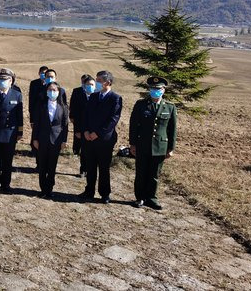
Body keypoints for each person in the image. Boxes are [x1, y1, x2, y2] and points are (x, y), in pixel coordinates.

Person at [129, 77, 177, 210]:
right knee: (141, 173)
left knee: (154, 174)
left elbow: (172, 129)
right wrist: (132, 144)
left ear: (163, 90)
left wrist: (171, 148)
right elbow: (134, 126)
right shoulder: (141, 105)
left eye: (158, 89)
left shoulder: (170, 107)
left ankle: (151, 198)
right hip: (142, 145)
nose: (155, 91)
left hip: (160, 146)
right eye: (153, 89)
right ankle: (140, 198)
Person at [80, 70, 122, 204]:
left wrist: (97, 133)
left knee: (104, 168)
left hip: (104, 140)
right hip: (89, 138)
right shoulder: (93, 96)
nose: (96, 83)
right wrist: (86, 131)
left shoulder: (115, 98)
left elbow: (113, 119)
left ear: (107, 82)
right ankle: (89, 191)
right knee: (90, 166)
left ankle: (104, 194)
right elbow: (85, 115)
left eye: (99, 81)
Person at [0, 68, 24, 194]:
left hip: (10, 132)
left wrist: (20, 132)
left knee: (7, 160)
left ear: (10, 81)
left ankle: (6, 184)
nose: (1, 81)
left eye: (4, 79)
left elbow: (19, 115)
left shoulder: (16, 95)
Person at [32, 82, 69, 198]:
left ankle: (50, 189)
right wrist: (35, 139)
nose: (52, 92)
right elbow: (36, 124)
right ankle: (43, 189)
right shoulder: (41, 105)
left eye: (54, 90)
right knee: (42, 166)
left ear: (58, 92)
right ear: (46, 91)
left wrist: (64, 141)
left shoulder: (63, 107)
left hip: (56, 140)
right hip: (42, 139)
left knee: (52, 166)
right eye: (50, 90)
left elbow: (65, 126)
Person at [69, 74, 95, 177]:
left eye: (92, 84)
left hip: (94, 129)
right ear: (84, 85)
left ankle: (91, 170)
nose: (90, 86)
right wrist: (77, 130)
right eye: (88, 84)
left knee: (92, 151)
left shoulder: (97, 95)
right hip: (82, 127)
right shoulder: (78, 93)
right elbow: (74, 111)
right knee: (84, 151)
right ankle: (83, 170)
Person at [29, 66, 48, 168]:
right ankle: (34, 151)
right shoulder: (34, 83)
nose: (43, 75)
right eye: (42, 73)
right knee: (35, 134)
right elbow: (31, 100)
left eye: (45, 73)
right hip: (36, 114)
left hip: (47, 117)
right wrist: (31, 116)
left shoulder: (53, 86)